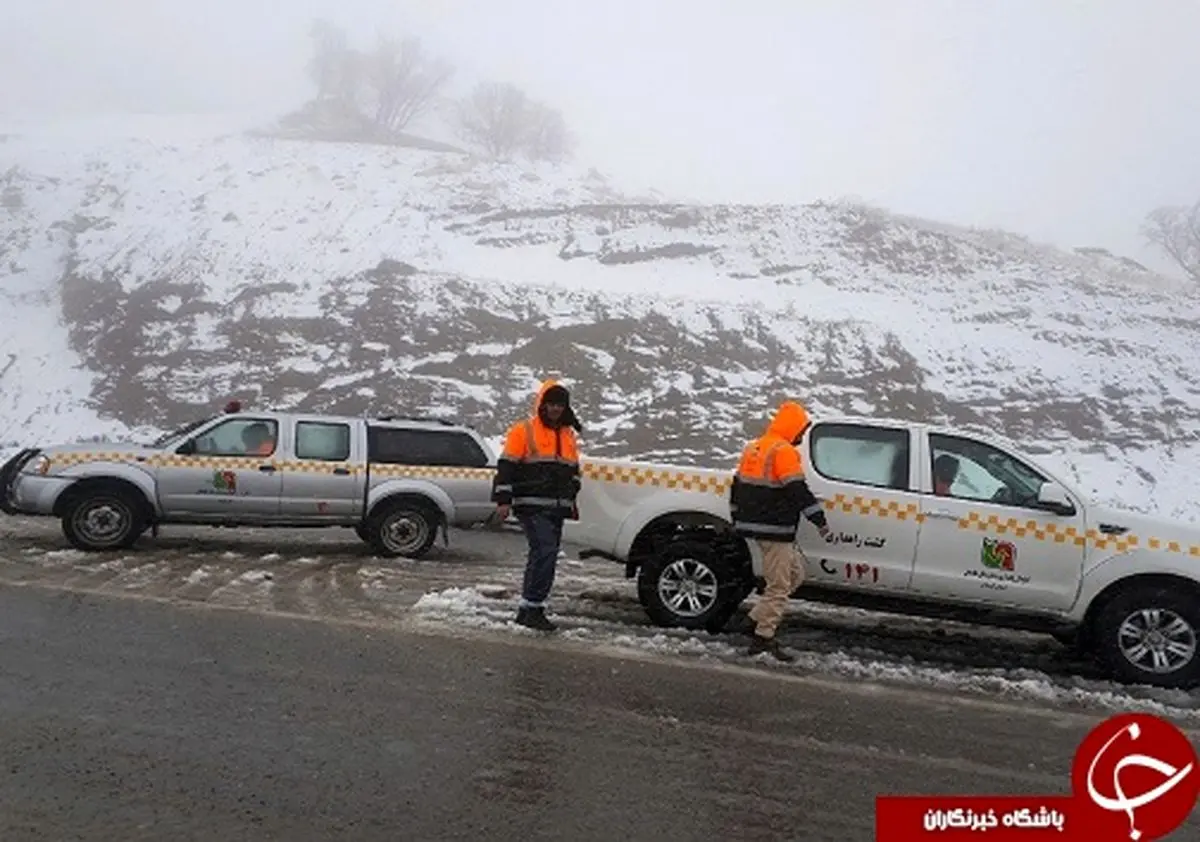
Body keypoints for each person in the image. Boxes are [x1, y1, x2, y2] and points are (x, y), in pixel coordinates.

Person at [730, 400, 831, 662]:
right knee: (779, 586)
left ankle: (753, 619)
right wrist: (819, 520)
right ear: (793, 428)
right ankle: (763, 638)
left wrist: (737, 515)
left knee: (794, 574)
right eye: (801, 431)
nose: (802, 436)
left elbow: (737, 485)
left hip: (756, 524)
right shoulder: (784, 452)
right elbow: (797, 489)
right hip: (775, 528)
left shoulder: (754, 447)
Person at [492, 379, 582, 632]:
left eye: (560, 405)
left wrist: (572, 497)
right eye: (551, 403)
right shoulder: (524, 430)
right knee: (545, 552)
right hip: (530, 504)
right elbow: (506, 467)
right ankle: (532, 607)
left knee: (545, 555)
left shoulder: (567, 435)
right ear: (543, 405)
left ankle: (531, 607)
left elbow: (573, 471)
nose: (555, 409)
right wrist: (503, 500)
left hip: (557, 507)